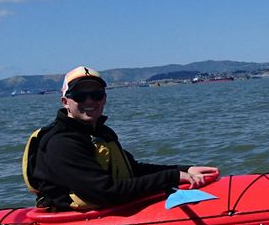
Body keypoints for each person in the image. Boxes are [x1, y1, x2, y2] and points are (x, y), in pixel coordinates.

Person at [26, 66, 219, 210]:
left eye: (96, 94)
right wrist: (173, 177)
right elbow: (106, 192)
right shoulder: (61, 143)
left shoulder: (101, 133)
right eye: (80, 95)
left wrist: (185, 169)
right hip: (75, 215)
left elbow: (133, 169)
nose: (90, 101)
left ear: (104, 98)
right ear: (65, 102)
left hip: (106, 203)